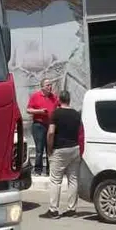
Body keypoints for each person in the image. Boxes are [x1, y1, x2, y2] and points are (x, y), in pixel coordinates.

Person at [42, 90, 84, 219]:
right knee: (73, 180)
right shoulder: (76, 114)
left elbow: (51, 132)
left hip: (59, 149)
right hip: (74, 148)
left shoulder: (56, 113)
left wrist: (49, 149)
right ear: (69, 100)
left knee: (55, 180)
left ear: (59, 100)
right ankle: (72, 209)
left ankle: (53, 210)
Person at [26, 78, 60, 176]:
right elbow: (28, 110)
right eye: (47, 85)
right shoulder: (35, 96)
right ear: (42, 87)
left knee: (50, 148)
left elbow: (59, 107)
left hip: (50, 126)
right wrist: (39, 111)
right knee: (39, 149)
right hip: (39, 125)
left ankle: (50, 171)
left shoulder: (54, 97)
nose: (50, 87)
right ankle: (38, 170)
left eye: (50, 85)